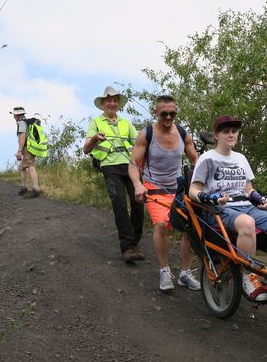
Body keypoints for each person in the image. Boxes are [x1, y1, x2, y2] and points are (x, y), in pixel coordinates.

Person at [188, 115, 267, 302]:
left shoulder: (241, 158)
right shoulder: (207, 159)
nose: (231, 135)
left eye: (234, 131)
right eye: (226, 131)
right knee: (247, 223)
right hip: (220, 210)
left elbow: (248, 188)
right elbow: (193, 190)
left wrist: (259, 198)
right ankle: (248, 275)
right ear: (216, 135)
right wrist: (210, 197)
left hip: (246, 206)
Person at [128, 95, 200, 292]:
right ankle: (165, 270)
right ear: (156, 112)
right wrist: (137, 185)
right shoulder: (146, 134)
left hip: (178, 189)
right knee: (161, 225)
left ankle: (185, 273)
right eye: (164, 114)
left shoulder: (183, 134)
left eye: (172, 113)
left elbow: (196, 160)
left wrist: (202, 182)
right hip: (154, 188)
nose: (168, 117)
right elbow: (134, 164)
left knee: (190, 229)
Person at [83, 86, 145, 264]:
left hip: (130, 166)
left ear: (118, 104)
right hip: (109, 166)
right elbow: (86, 149)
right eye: (108, 100)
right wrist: (95, 138)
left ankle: (134, 242)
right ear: (103, 104)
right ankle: (127, 248)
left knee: (138, 202)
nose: (112, 103)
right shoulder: (95, 123)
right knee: (119, 204)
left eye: (115, 100)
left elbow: (140, 143)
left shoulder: (126, 123)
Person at [11, 106, 41, 197]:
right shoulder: (25, 122)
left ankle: (36, 189)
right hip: (29, 148)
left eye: (14, 115)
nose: (13, 116)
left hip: (27, 148)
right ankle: (24, 187)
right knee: (22, 168)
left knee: (31, 167)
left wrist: (19, 151)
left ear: (17, 115)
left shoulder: (22, 123)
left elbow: (23, 137)